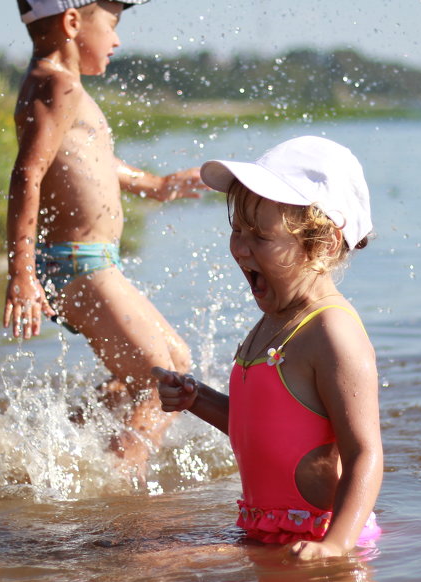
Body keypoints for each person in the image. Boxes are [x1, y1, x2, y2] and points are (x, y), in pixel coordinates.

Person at [2, 0, 205, 471]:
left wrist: (155, 184)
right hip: (76, 262)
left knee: (174, 364)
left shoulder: (58, 86)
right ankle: (120, 483)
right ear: (73, 22)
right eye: (111, 24)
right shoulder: (59, 85)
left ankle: (52, 453)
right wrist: (21, 275)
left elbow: (91, 159)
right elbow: (27, 174)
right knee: (167, 384)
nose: (117, 40)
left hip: (89, 260)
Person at [155, 135, 383, 559]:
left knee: (147, 565)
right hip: (267, 533)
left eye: (260, 236)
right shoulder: (275, 320)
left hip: (322, 542)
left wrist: (336, 546)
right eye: (236, 230)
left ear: (324, 244)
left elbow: (364, 453)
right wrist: (196, 398)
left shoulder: (331, 331)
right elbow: (260, 428)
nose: (240, 248)